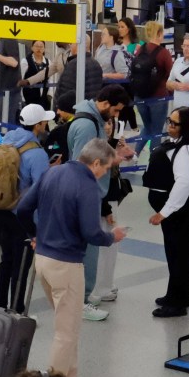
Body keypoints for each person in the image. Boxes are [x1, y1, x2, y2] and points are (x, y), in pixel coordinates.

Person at [16, 138, 127, 377]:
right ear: (96, 163)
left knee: (69, 323)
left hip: (42, 260)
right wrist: (112, 237)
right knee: (65, 333)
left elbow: (22, 209)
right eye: (106, 168)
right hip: (66, 265)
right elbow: (91, 232)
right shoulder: (88, 186)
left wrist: (34, 235)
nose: (104, 174)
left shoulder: (52, 172)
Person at [68, 85, 131, 320]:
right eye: (115, 111)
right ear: (105, 103)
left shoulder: (91, 121)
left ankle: (82, 297)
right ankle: (82, 301)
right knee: (89, 252)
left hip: (92, 194)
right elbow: (81, 165)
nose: (114, 116)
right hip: (87, 196)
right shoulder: (87, 126)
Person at [145, 106, 189, 317]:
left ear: (186, 127)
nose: (169, 126)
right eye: (169, 121)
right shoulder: (178, 145)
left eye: (174, 123)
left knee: (180, 251)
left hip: (183, 207)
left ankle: (178, 301)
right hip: (177, 207)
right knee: (174, 250)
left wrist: (164, 212)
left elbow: (183, 184)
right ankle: (174, 293)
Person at [0, 104, 52, 310]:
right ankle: (17, 310)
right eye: (44, 120)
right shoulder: (37, 154)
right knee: (21, 266)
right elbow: (42, 190)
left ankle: (0, 307)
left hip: (2, 208)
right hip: (23, 215)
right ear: (38, 125)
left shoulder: (8, 139)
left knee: (6, 260)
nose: (46, 123)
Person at [134, 20, 174, 156]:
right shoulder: (163, 53)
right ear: (159, 34)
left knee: (148, 126)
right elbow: (171, 74)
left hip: (139, 96)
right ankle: (154, 159)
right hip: (158, 97)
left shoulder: (140, 49)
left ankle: (135, 153)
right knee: (157, 131)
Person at [55, 36, 104, 104]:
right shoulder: (96, 64)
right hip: (91, 107)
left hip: (74, 109)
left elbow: (65, 90)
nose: (70, 45)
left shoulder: (73, 64)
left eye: (71, 43)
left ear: (77, 45)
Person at [0, 39, 22, 125]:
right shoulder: (4, 39)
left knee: (8, 123)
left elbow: (14, 62)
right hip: (5, 91)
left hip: (9, 92)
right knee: (5, 123)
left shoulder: (8, 40)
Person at [19, 40, 51, 109]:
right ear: (32, 48)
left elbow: (50, 79)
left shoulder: (48, 62)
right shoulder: (25, 61)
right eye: (36, 46)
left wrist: (50, 94)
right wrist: (22, 97)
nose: (39, 48)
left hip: (44, 97)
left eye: (41, 46)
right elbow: (21, 78)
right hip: (29, 95)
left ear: (44, 48)